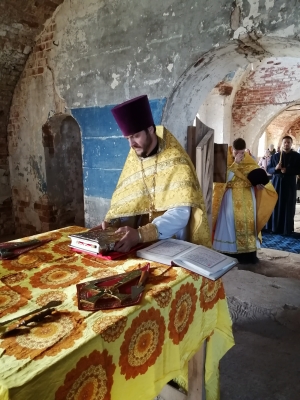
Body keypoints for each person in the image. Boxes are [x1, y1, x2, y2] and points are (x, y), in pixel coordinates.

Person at [96, 95, 211, 252]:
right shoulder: (134, 157)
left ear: (150, 129)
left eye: (136, 136)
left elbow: (181, 214)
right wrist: (113, 222)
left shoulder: (176, 160)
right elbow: (127, 202)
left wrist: (141, 234)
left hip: (169, 244)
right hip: (136, 244)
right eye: (127, 138)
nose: (131, 144)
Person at [212, 138, 277, 264]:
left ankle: (248, 255)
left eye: (242, 152)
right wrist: (235, 163)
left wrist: (257, 186)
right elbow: (222, 180)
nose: (240, 155)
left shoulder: (248, 160)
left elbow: (254, 176)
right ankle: (227, 253)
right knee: (229, 222)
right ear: (232, 149)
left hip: (248, 197)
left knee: (248, 224)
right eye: (237, 152)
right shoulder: (224, 157)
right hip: (230, 197)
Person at [266, 135, 300, 235]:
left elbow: (299, 169)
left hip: (289, 184)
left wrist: (288, 170)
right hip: (277, 184)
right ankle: (274, 228)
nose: (286, 144)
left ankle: (286, 229)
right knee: (276, 205)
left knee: (288, 205)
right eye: (285, 142)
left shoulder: (297, 156)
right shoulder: (275, 156)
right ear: (282, 143)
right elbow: (268, 169)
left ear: (291, 143)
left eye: (288, 142)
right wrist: (276, 168)